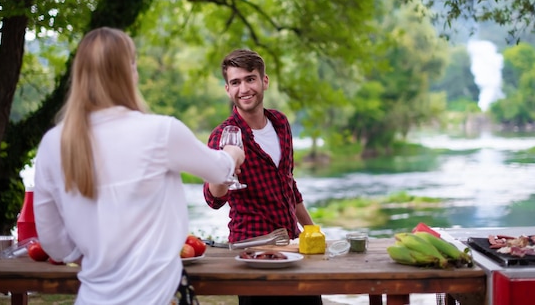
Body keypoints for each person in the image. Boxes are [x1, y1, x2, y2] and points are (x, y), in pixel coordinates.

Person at [33, 27, 244, 305]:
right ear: (127, 73)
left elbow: (54, 243)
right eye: (133, 63)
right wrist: (232, 153)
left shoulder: (52, 143)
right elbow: (219, 171)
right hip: (160, 296)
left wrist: (96, 256)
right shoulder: (160, 131)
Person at [203, 48, 322, 305]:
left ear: (264, 81)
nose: (244, 88)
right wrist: (224, 169)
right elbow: (213, 199)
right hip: (252, 251)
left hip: (291, 246)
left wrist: (312, 230)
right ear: (227, 89)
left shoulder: (280, 122)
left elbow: (289, 184)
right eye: (235, 82)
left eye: (250, 79)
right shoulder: (222, 136)